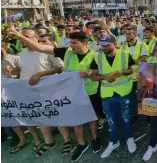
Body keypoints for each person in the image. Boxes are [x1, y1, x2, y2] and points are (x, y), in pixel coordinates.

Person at [9, 30, 104, 162]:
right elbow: (41, 48)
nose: (71, 45)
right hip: (71, 93)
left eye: (75, 43)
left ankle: (94, 138)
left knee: (92, 118)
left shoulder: (95, 55)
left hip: (90, 92)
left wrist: (88, 73)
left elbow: (97, 72)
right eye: (70, 42)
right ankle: (82, 144)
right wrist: (18, 35)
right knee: (77, 120)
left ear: (85, 43)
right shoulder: (66, 52)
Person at [6, 28, 64, 158]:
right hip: (28, 91)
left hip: (46, 90)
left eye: (26, 36)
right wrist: (14, 71)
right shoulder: (23, 52)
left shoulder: (46, 50)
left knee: (54, 115)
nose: (22, 39)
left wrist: (40, 74)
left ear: (36, 38)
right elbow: (21, 70)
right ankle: (49, 141)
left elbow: (60, 68)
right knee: (38, 116)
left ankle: (65, 140)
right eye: (22, 36)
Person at [90, 34, 137, 158]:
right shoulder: (97, 56)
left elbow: (132, 69)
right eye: (102, 45)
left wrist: (121, 72)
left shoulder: (125, 54)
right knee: (111, 121)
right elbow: (93, 76)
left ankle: (129, 138)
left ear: (114, 43)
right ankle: (113, 142)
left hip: (124, 92)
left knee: (126, 118)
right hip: (107, 94)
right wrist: (105, 77)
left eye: (106, 45)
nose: (104, 47)